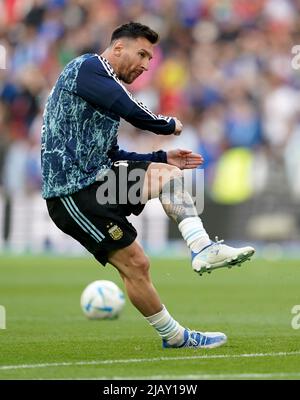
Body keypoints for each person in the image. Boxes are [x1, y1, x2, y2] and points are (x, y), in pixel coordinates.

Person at [41, 22, 255, 349]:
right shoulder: (86, 68)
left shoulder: (103, 95)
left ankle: (201, 249)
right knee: (135, 263)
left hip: (98, 180)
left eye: (150, 59)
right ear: (117, 49)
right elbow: (132, 110)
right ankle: (177, 333)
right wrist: (167, 124)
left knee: (164, 178)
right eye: (141, 54)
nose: (145, 64)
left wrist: (161, 156)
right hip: (71, 193)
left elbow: (112, 153)